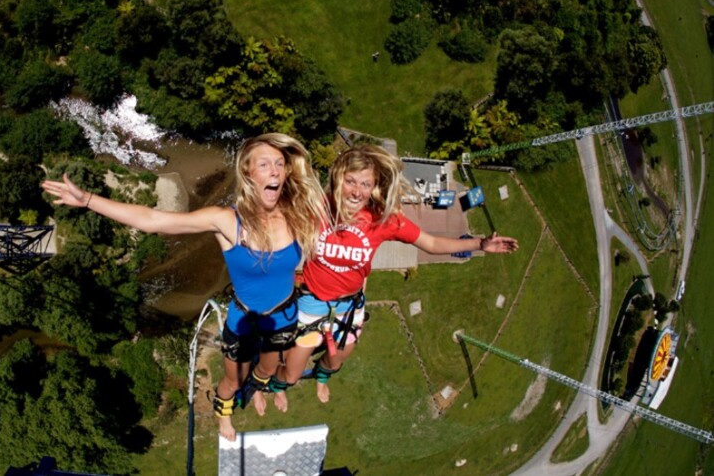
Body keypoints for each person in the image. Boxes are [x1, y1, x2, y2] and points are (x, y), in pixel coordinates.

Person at [41, 133, 327, 441]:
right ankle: (223, 414)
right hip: (244, 319)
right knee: (233, 380)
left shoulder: (300, 213)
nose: (273, 171)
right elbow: (153, 220)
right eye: (264, 164)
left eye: (279, 164)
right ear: (248, 174)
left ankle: (259, 390)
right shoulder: (227, 221)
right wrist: (87, 200)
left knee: (268, 370)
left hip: (283, 314)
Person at [269, 144, 519, 409]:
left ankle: (322, 376)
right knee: (292, 372)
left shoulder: (383, 219)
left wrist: (479, 244)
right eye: (350, 181)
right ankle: (277, 385)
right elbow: (276, 204)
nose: (356, 191)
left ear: (375, 186)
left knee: (335, 360)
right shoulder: (317, 208)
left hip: (349, 308)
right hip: (312, 304)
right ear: (337, 178)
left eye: (365, 184)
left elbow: (431, 243)